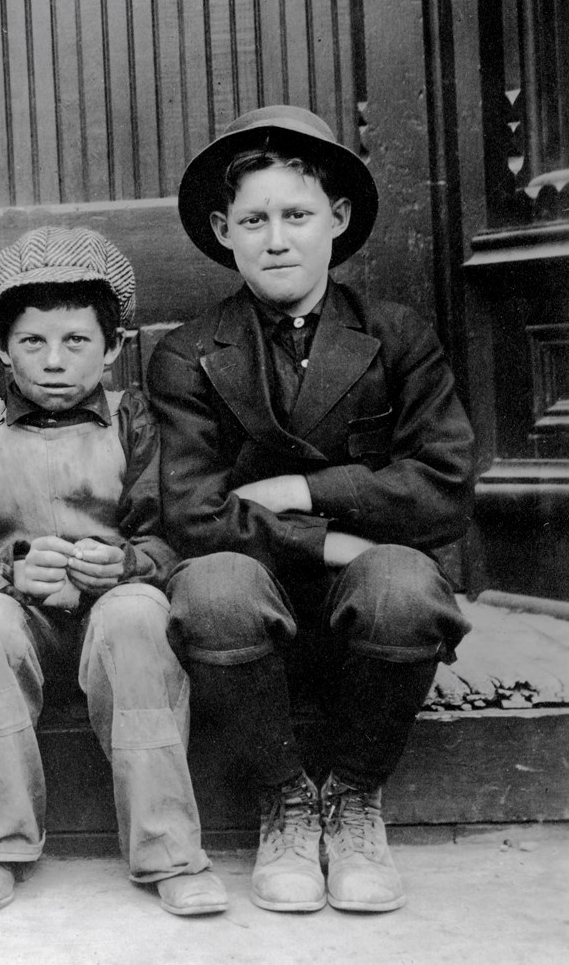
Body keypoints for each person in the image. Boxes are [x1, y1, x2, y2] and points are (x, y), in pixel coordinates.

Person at [148, 105, 474, 914]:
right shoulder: (188, 352)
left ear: (336, 218)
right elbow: (192, 513)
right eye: (252, 221)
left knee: (403, 584)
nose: (275, 240)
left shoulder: (396, 337)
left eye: (295, 216)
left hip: (371, 609)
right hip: (252, 610)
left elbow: (440, 485)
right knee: (211, 585)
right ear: (222, 231)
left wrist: (302, 491)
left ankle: (353, 797)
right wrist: (335, 544)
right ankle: (285, 801)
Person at [0, 226, 226, 916]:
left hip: (113, 624)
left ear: (113, 347)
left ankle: (168, 849)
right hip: (18, 627)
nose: (53, 361)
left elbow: (177, 537)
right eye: (32, 341)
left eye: (76, 341)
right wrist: (8, 569)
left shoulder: (138, 424)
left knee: (137, 613)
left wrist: (127, 563)